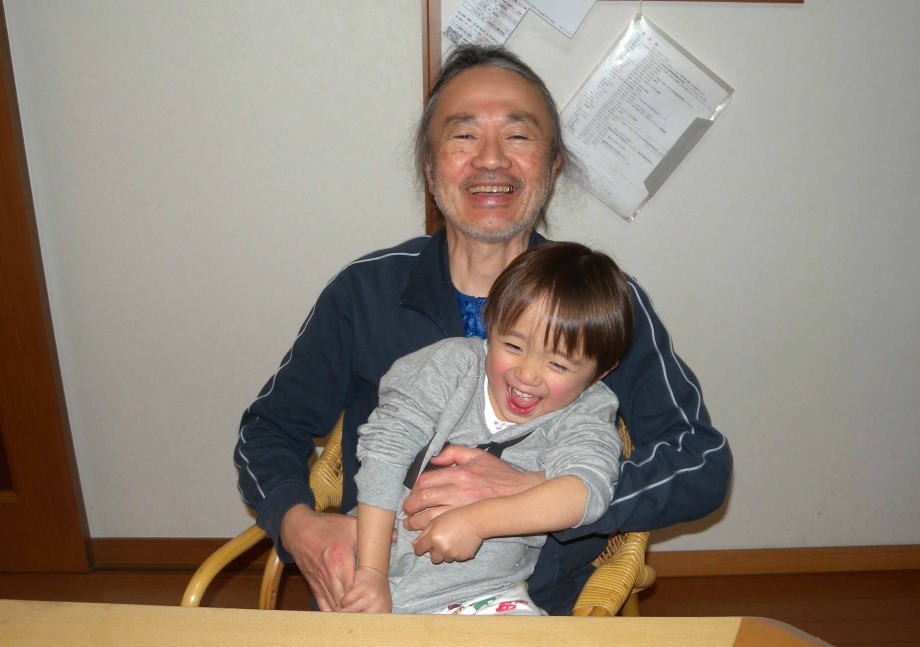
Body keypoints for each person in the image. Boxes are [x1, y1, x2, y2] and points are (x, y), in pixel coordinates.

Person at [234, 44, 732, 616]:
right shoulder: (364, 293)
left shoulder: (600, 305)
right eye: (464, 135)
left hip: (535, 608)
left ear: (552, 165)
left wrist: (538, 488)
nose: (491, 160)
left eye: (518, 136)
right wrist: (299, 525)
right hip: (378, 599)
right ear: (430, 167)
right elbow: (267, 430)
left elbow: (700, 462)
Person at [342, 242, 632, 615]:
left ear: (600, 372)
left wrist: (477, 521)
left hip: (484, 598)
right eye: (512, 345)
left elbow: (585, 492)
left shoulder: (587, 409)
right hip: (364, 568)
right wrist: (370, 572)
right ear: (489, 323)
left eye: (558, 365)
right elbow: (385, 451)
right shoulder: (451, 365)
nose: (527, 375)